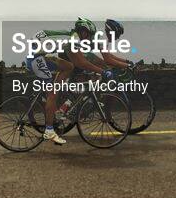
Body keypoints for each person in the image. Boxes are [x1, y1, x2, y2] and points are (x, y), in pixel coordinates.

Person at [26, 17, 113, 145]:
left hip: (41, 53)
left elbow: (77, 61)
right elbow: (82, 62)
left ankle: (56, 93)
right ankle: (49, 131)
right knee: (52, 93)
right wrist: (103, 72)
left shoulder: (71, 37)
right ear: (83, 32)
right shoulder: (74, 39)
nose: (89, 39)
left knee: (69, 67)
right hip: (36, 57)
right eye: (89, 35)